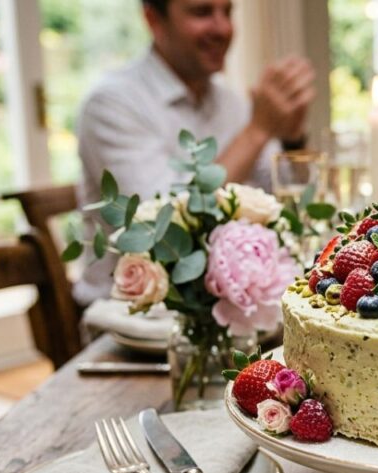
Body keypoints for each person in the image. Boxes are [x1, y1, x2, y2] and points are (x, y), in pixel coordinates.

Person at [73, 0, 315, 305]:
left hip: (223, 312)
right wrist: (258, 129)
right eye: (202, 12)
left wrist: (292, 139)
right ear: (153, 19)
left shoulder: (230, 101)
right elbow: (165, 231)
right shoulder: (111, 104)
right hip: (126, 324)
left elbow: (282, 208)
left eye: (227, 12)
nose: (223, 28)